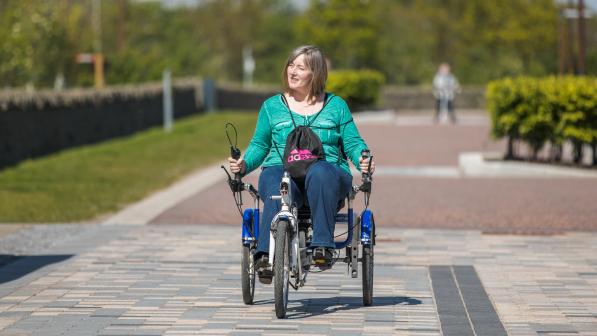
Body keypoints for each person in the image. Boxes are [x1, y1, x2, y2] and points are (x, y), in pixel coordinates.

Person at [228, 45, 375, 281]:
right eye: (290, 65)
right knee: (277, 182)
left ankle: (322, 247)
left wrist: (362, 159)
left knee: (319, 172)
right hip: (281, 168)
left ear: (315, 73)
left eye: (301, 67)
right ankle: (265, 256)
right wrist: (244, 164)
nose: (292, 71)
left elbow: (353, 142)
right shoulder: (271, 107)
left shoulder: (336, 106)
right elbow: (260, 145)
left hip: (327, 172)